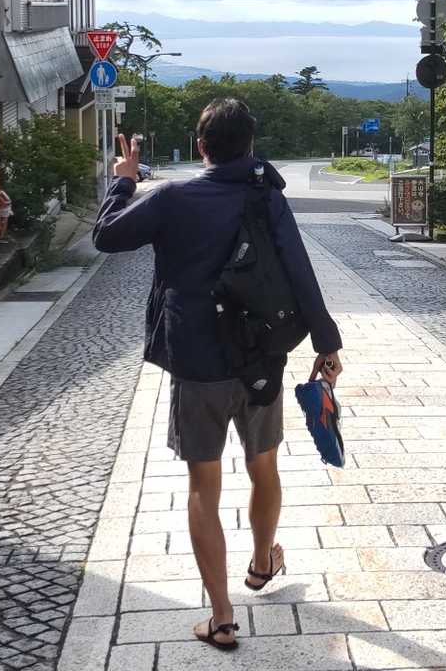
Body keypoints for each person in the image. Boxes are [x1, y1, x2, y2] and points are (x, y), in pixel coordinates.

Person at [91, 98, 343, 652]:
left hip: (197, 361)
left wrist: (125, 180)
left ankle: (223, 617)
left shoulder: (173, 198)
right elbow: (299, 270)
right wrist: (327, 343)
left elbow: (106, 236)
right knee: (264, 466)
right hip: (260, 357)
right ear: (250, 145)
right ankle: (262, 561)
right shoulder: (267, 196)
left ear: (201, 146)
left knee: (203, 486)